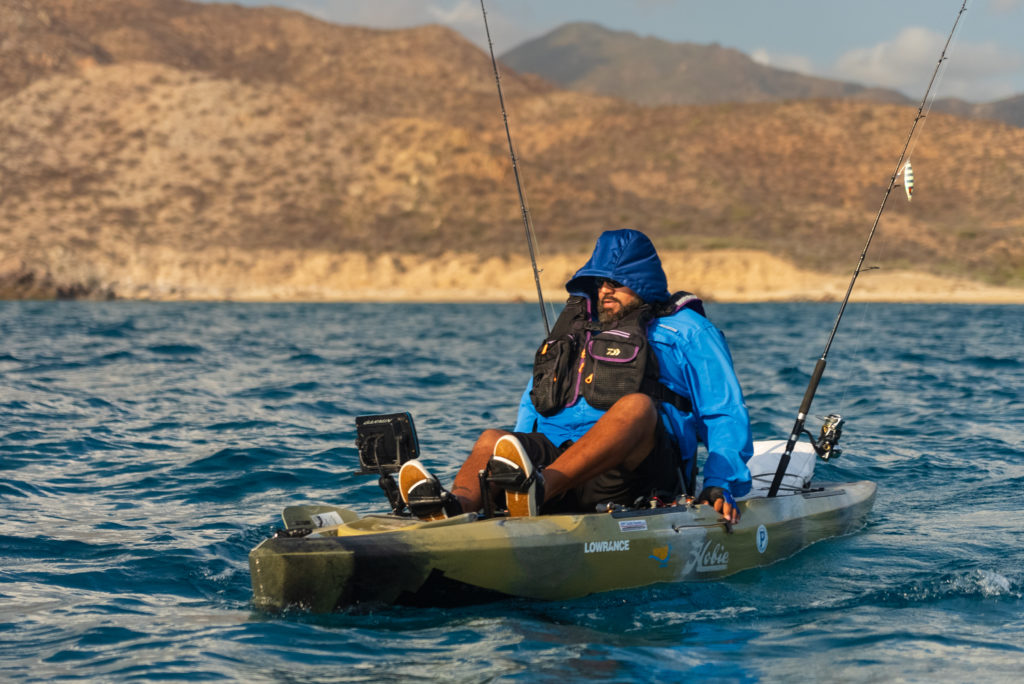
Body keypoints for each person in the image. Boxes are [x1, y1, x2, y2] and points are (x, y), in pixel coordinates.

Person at [398, 229, 752, 524]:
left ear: (642, 282)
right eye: (599, 282)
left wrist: (719, 483)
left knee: (637, 408)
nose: (605, 290)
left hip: (634, 470)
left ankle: (537, 491)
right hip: (558, 461)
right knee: (493, 438)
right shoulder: (573, 331)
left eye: (617, 282)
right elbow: (533, 404)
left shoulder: (688, 330)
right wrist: (517, 455)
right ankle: (453, 508)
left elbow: (724, 411)